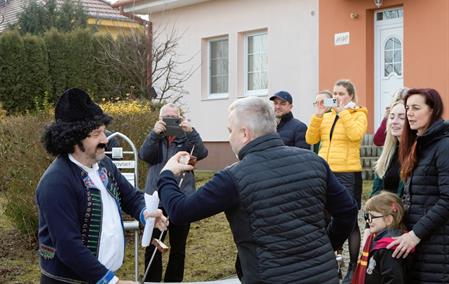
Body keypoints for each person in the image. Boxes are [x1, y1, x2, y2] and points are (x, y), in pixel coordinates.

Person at [157, 96, 358, 284]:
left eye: (230, 131)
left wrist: (166, 175)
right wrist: (326, 245)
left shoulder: (233, 177)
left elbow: (179, 211)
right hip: (323, 275)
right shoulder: (313, 161)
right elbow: (348, 210)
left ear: (245, 133)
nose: (229, 138)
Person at [36, 88, 167, 284]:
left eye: (104, 131)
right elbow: (68, 247)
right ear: (73, 138)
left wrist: (145, 213)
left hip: (103, 276)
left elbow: (130, 196)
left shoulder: (104, 164)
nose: (106, 140)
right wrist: (111, 281)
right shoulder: (55, 182)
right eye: (96, 133)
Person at [305, 79, 368, 284]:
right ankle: (333, 263)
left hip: (348, 173)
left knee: (349, 220)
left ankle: (352, 267)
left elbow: (355, 134)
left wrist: (343, 113)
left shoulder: (359, 113)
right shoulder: (327, 116)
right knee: (326, 217)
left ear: (350, 95)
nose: (337, 97)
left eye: (341, 93)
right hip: (326, 171)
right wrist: (317, 116)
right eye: (335, 93)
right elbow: (311, 139)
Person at [139, 103, 208, 283]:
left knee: (178, 248)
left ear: (180, 119)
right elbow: (144, 155)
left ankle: (173, 281)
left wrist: (191, 132)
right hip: (156, 200)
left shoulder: (186, 138)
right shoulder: (156, 138)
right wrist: (154, 134)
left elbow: (201, 153)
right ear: (160, 119)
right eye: (166, 118)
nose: (170, 122)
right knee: (153, 246)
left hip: (181, 199)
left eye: (174, 118)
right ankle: (152, 281)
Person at [387, 88, 449, 283]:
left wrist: (416, 234)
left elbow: (447, 199)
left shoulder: (444, 146)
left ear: (433, 110)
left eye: (416, 108)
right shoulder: (419, 144)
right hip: (419, 243)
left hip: (438, 245)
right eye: (407, 108)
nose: (409, 114)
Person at [352, 191, 409, 284]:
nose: (368, 221)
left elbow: (393, 279)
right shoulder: (377, 239)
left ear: (388, 219)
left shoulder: (389, 248)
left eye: (371, 217)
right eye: (367, 216)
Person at [371, 100, 406, 197]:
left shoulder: (418, 152)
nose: (394, 122)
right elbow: (375, 191)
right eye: (391, 117)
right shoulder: (388, 152)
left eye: (401, 117)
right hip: (383, 210)